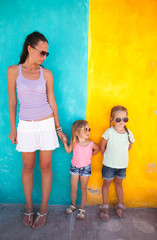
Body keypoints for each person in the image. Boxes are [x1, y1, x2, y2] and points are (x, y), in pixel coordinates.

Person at [7, 31, 66, 229]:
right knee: (28, 167)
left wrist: (58, 128)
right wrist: (13, 128)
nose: (44, 57)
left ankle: (43, 209)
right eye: (42, 52)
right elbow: (12, 101)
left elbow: (53, 102)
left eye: (47, 54)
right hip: (25, 125)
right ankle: (29, 208)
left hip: (46, 124)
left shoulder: (46, 74)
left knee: (46, 167)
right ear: (29, 49)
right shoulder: (13, 71)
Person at [99, 105, 135, 221]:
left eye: (125, 119)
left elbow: (129, 146)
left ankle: (120, 205)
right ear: (112, 119)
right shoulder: (109, 131)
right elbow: (102, 145)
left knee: (119, 184)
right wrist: (105, 156)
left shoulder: (129, 133)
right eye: (118, 119)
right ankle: (105, 207)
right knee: (107, 184)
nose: (121, 122)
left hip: (122, 165)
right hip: (109, 164)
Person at [63, 120, 99, 220]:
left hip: (86, 168)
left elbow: (97, 149)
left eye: (88, 129)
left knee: (83, 188)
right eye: (85, 129)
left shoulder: (91, 143)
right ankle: (73, 205)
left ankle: (82, 208)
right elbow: (68, 151)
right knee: (73, 188)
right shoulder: (74, 143)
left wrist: (89, 155)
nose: (88, 132)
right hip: (75, 167)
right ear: (77, 132)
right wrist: (65, 142)